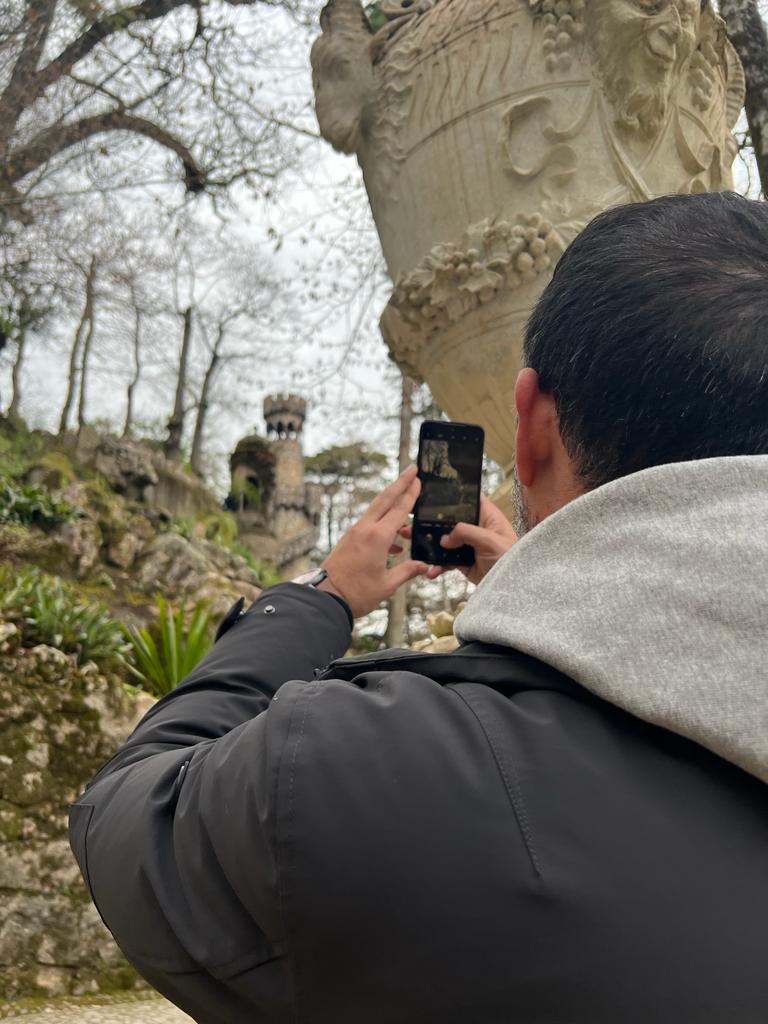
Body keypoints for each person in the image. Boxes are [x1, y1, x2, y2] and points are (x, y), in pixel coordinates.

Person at [70, 192, 767, 1024]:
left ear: (532, 426)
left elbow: (127, 819)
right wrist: (551, 600)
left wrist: (323, 598)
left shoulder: (369, 769)